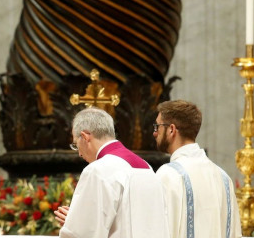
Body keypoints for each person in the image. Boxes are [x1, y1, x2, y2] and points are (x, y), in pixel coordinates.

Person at [54, 107, 169, 238]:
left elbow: (84, 234)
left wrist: (74, 224)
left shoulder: (97, 170)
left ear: (85, 137)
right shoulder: (146, 167)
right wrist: (78, 220)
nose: (79, 153)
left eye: (76, 144)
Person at [154, 100, 241, 238]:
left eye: (157, 126)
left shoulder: (169, 175)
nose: (155, 133)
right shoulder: (223, 177)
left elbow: (159, 231)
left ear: (171, 129)